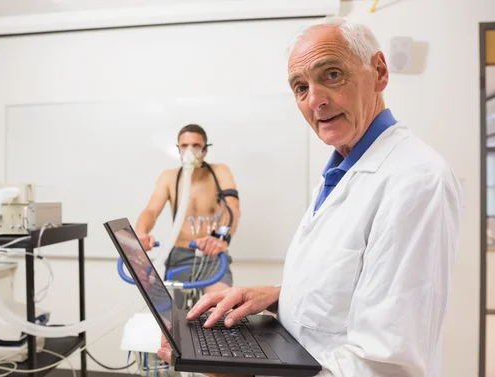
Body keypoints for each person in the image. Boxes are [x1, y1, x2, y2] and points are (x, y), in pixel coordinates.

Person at [157, 17, 464, 377]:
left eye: (332, 74)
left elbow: (385, 364)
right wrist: (277, 297)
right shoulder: (340, 171)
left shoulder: (415, 180)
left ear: (379, 72)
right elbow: (346, 290)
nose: (316, 100)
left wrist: (246, 374)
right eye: (300, 88)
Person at [135, 124, 241, 304]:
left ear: (205, 150)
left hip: (211, 255)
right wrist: (140, 233)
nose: (189, 150)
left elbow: (233, 208)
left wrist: (221, 239)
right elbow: (151, 210)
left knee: (219, 310)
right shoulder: (169, 177)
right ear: (178, 148)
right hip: (180, 256)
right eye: (184, 146)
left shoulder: (219, 171)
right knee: (176, 319)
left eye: (196, 145)